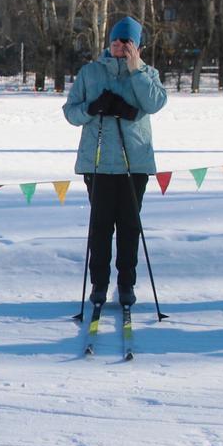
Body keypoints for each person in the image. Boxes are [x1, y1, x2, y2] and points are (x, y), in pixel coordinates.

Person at [63, 16, 168, 309]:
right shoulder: (91, 72)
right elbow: (70, 113)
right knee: (100, 225)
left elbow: (155, 103)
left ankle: (126, 283)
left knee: (129, 225)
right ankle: (99, 282)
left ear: (138, 46)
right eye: (116, 42)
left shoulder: (148, 73)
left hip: (134, 163)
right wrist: (92, 108)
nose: (120, 47)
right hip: (98, 162)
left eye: (127, 42)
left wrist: (136, 72)